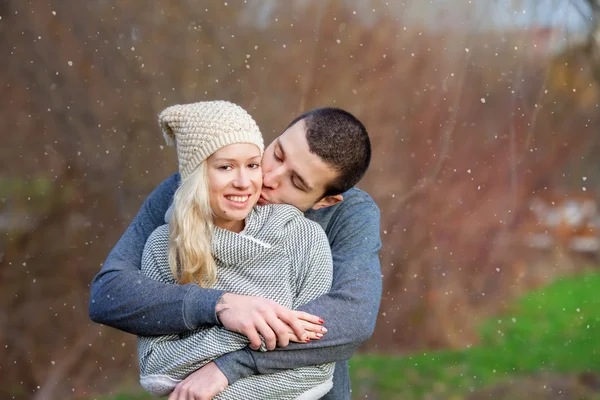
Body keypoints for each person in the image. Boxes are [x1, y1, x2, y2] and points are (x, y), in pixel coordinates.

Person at [89, 103, 382, 400]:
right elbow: (109, 293)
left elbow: (353, 318)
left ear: (324, 201)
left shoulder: (349, 215)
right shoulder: (195, 185)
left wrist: (230, 366)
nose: (268, 177)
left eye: (295, 181)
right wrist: (220, 306)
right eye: (277, 153)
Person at [137, 100, 335, 399]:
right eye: (225, 166)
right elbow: (155, 369)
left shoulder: (304, 238)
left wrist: (220, 379)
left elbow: (317, 370)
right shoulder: (164, 246)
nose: (245, 182)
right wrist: (241, 321)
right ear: (197, 175)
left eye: (253, 165)